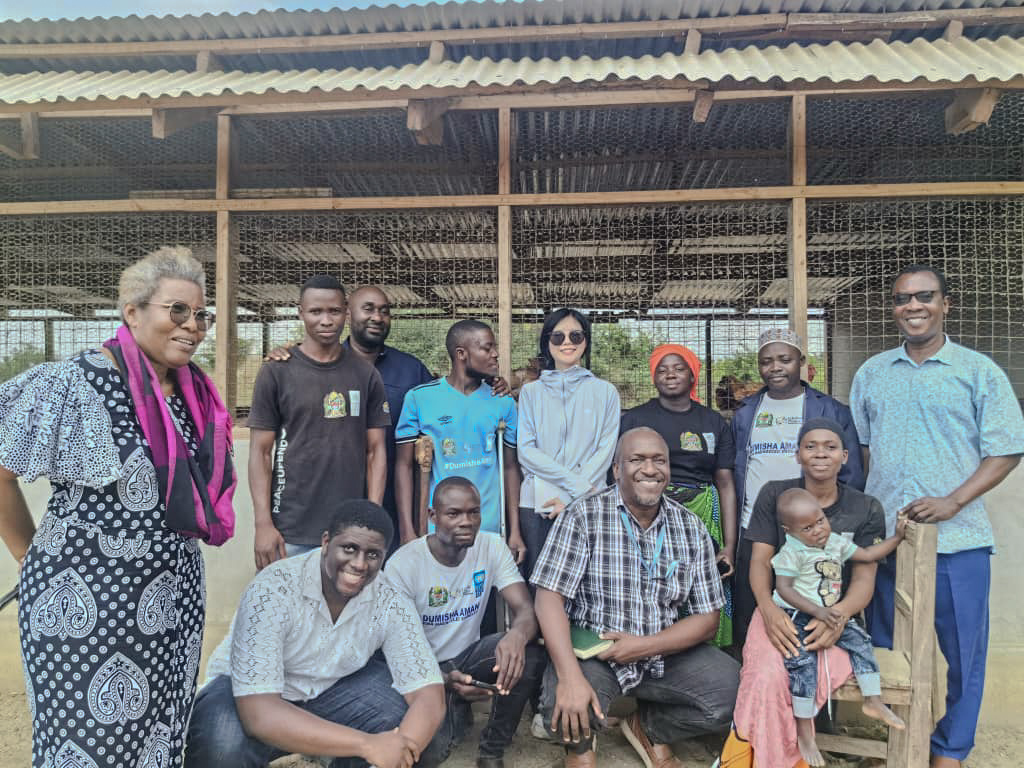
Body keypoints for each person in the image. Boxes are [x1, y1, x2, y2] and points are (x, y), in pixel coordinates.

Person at [0, 247, 237, 767]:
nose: (193, 326)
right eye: (176, 310)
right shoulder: (75, 383)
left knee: (158, 736)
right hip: (84, 603)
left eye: (201, 315)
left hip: (170, 600)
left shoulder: (193, 394)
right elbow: (0, 471)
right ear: (132, 312)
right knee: (88, 745)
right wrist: (30, 556)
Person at [850, 264, 1024, 768]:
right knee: (888, 652)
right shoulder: (872, 374)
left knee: (962, 657)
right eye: (902, 299)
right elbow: (862, 453)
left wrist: (953, 501)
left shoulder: (977, 371)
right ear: (893, 309)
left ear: (945, 304)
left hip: (959, 541)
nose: (913, 306)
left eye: (924, 297)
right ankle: (903, 746)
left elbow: (1007, 451)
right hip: (887, 544)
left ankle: (948, 753)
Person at [531, 427, 739, 768]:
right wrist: (569, 677)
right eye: (637, 460)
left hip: (664, 652)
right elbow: (548, 597)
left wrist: (644, 646)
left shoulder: (690, 527)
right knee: (563, 701)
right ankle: (580, 749)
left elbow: (707, 619)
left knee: (735, 694)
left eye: (659, 460)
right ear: (616, 469)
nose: (650, 469)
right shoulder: (583, 516)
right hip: (597, 652)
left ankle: (650, 728)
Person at [185, 499, 445, 768]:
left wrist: (398, 750)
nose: (359, 564)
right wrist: (369, 745)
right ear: (325, 542)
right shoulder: (274, 588)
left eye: (372, 554)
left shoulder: (389, 599)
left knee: (416, 732)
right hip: (245, 693)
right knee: (223, 747)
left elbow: (428, 694)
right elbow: (259, 713)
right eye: (349, 548)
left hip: (329, 690)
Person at [721, 417, 885, 768]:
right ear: (797, 455)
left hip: (835, 624)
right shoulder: (775, 495)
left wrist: (837, 618)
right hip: (780, 613)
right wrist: (767, 608)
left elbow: (863, 580)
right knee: (766, 676)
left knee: (791, 674)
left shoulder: (865, 507)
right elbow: (760, 562)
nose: (820, 454)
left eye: (830, 447)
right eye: (810, 446)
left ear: (845, 456)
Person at [384, 477, 545, 768]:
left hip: (466, 658)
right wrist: (443, 681)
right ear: (433, 517)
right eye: (454, 514)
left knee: (527, 653)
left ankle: (492, 750)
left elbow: (526, 609)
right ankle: (453, 704)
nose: (466, 521)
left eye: (473, 513)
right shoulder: (403, 565)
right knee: (432, 752)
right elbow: (398, 650)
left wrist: (516, 636)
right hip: (420, 669)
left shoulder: (491, 546)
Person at [264, 285, 435, 549]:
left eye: (384, 311)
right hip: (322, 504)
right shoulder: (298, 365)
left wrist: (490, 383)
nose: (377, 317)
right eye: (368, 309)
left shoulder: (411, 369)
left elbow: (445, 404)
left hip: (395, 503)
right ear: (349, 314)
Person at [732, 328, 865, 647]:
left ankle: (808, 692)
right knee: (754, 615)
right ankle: (754, 688)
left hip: (810, 534)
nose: (775, 367)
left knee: (809, 614)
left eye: (784, 359)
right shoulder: (747, 412)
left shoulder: (832, 410)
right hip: (757, 529)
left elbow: (852, 475)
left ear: (801, 362)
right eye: (766, 361)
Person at [248, 275, 390, 569]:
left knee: (346, 612)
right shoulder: (276, 372)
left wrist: (372, 517)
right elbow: (261, 453)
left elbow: (375, 451)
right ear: (301, 313)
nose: (326, 320)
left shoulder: (365, 375)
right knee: (289, 613)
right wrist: (263, 523)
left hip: (350, 529)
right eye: (316, 312)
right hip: (289, 527)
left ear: (346, 314)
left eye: (334, 312)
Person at [771, 487, 907, 766]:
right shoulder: (791, 552)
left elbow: (868, 556)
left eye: (820, 520)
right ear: (790, 530)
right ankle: (804, 729)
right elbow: (783, 589)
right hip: (799, 614)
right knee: (802, 667)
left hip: (829, 614)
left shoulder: (834, 542)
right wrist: (817, 611)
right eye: (807, 528)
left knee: (861, 642)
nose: (818, 530)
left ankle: (873, 700)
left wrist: (897, 537)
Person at [619, 344, 737, 646]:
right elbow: (618, 473)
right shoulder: (635, 418)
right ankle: (649, 648)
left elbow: (725, 482)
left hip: (701, 512)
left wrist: (729, 544)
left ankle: (706, 654)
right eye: (662, 368)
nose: (670, 374)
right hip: (648, 511)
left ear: (693, 374)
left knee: (704, 585)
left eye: (678, 367)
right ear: (653, 377)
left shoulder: (713, 422)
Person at [394, 319, 521, 554]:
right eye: (487, 347)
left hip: (490, 528)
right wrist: (407, 530)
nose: (495, 355)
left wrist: (515, 532)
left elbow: (511, 467)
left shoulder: (503, 401)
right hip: (438, 528)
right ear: (461, 353)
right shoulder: (419, 399)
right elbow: (403, 465)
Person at [517, 308, 619, 579]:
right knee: (539, 583)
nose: (567, 343)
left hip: (590, 501)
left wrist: (576, 497)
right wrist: (575, 487)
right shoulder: (530, 392)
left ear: (586, 341)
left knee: (588, 583)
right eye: (558, 336)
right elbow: (526, 451)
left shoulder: (605, 392)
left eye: (575, 335)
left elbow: (605, 452)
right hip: (536, 503)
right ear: (546, 342)